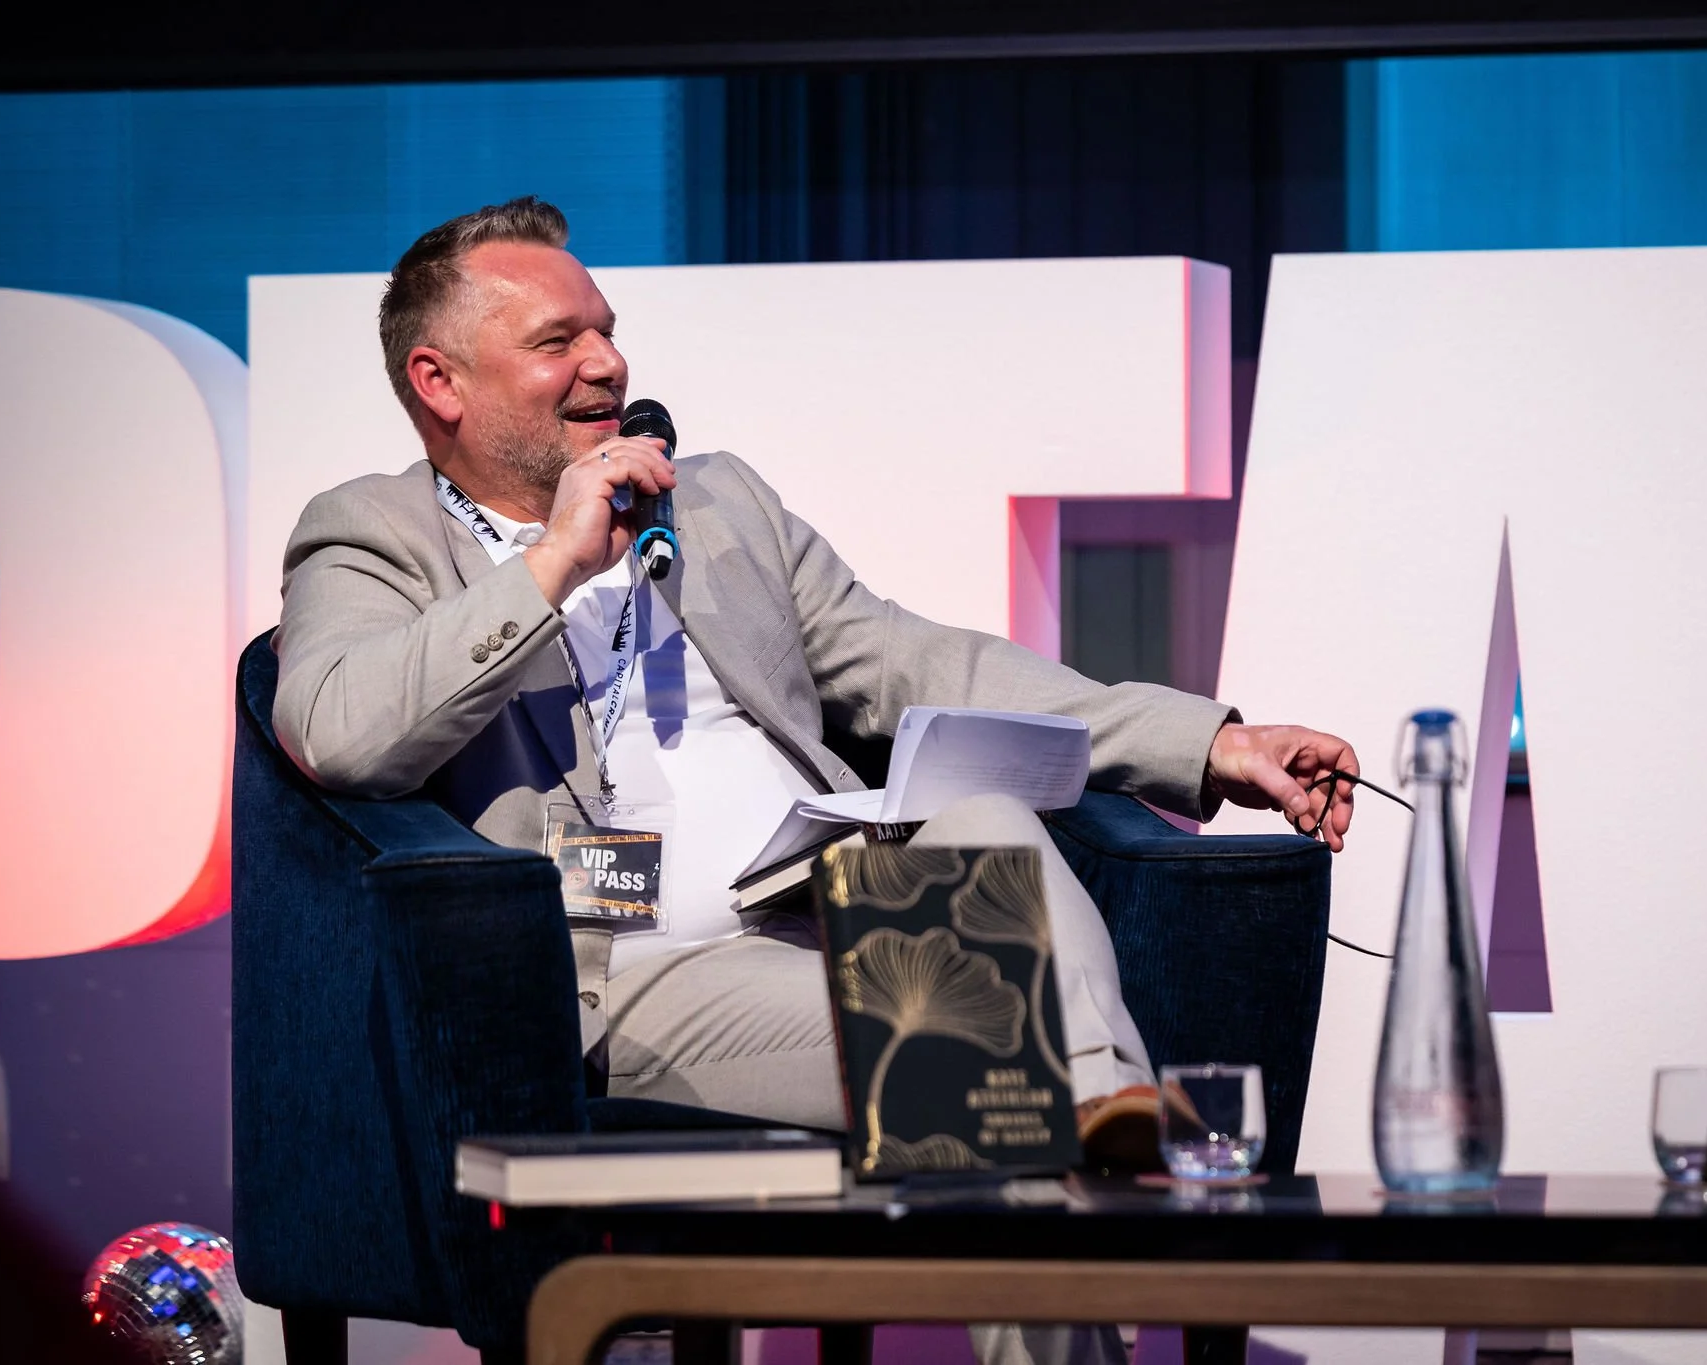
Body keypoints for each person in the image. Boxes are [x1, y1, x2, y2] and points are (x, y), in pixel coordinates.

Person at [273, 196, 1361, 1170]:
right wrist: (552, 562)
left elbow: (914, 661)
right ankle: (1098, 1098)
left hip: (831, 907)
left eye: (606, 330)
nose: (606, 365)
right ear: (439, 382)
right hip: (636, 968)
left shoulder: (713, 500)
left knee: (978, 821)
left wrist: (1208, 745)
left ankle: (1088, 1094)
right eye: (559, 341)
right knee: (990, 1068)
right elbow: (337, 732)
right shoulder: (372, 534)